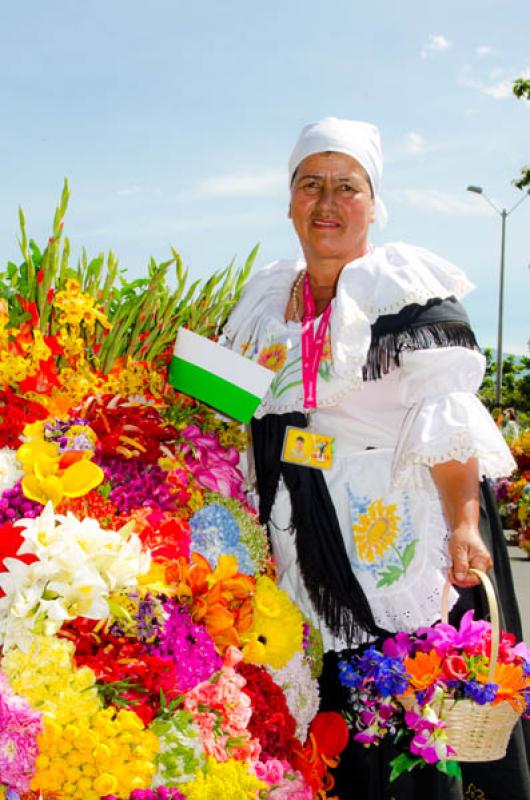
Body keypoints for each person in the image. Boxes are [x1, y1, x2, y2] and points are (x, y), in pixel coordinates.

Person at [224, 117, 528, 799]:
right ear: (290, 200)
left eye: (347, 187)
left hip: (402, 538)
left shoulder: (403, 289)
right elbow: (238, 405)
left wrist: (463, 522)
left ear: (373, 202)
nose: (327, 204)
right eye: (310, 185)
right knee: (341, 730)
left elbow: (444, 417)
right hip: (309, 545)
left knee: (417, 733)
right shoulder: (267, 302)